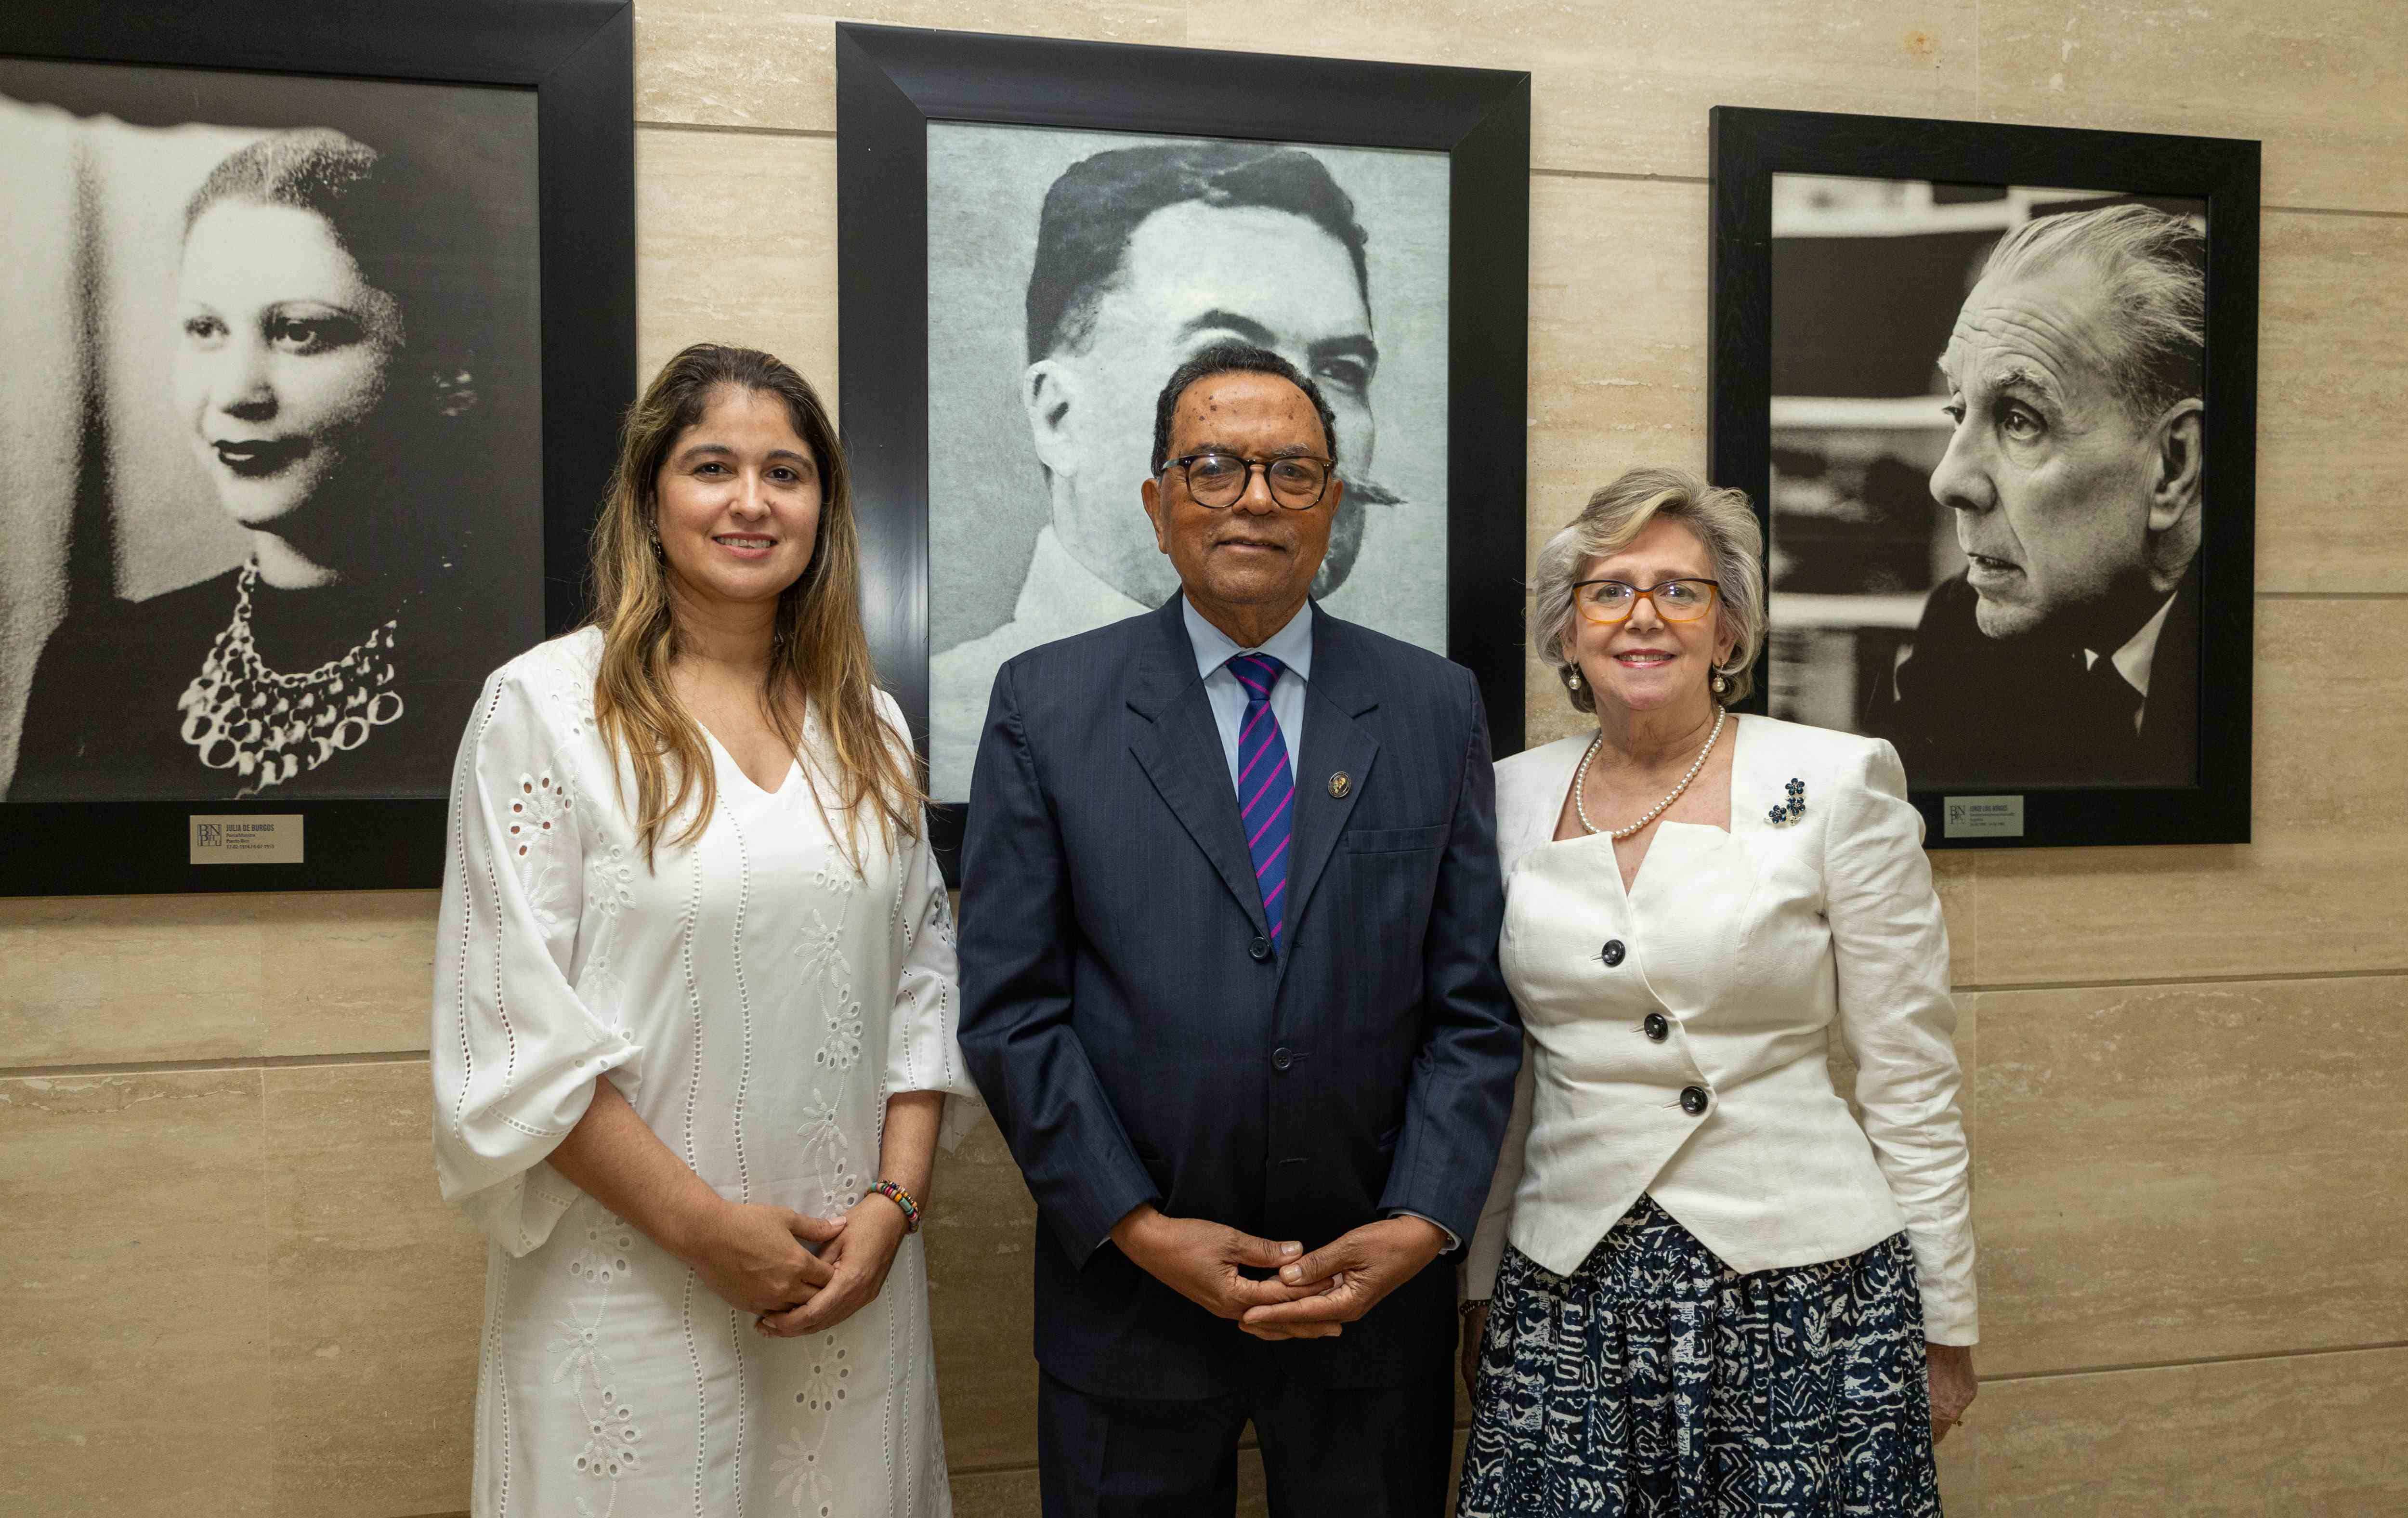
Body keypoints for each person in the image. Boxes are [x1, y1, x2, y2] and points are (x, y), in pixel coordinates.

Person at [957, 342, 1520, 1517]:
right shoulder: (1045, 705)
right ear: (1160, 505)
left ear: (1334, 504)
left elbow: (1472, 1009)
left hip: (1371, 1300)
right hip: (1129, 1299)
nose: (1254, 498)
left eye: (1293, 471)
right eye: (1213, 467)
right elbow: (1013, 1010)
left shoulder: (1432, 707)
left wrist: (1422, 1219)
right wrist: (1136, 1224)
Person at [430, 344, 979, 1516]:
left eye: (785, 472)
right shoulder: (543, 709)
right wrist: (709, 1233)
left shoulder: (869, 726)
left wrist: (894, 1209)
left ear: (825, 509)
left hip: (851, 1288)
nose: (749, 501)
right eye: (711, 466)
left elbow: (923, 988)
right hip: (627, 1291)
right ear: (648, 498)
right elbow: (515, 1036)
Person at [1457, 468, 1977, 1516]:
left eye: (1680, 590)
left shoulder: (1837, 781)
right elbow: (1500, 1068)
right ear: (1565, 632)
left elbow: (1909, 1074)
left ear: (1729, 628)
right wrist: (1479, 1281)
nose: (1642, 616)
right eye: (1608, 591)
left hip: (1805, 1288)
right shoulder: (1505, 796)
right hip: (1568, 1291)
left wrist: (1945, 1319)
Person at [9, 126, 523, 802]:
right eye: (205, 330)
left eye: (299, 331)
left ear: (445, 371)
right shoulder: (100, 665)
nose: (235, 394)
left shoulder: (521, 671)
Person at [928, 141, 1404, 798]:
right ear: (1058, 416)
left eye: (1342, 372)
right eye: (1225, 360)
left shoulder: (1419, 713)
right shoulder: (942, 733)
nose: (1295, 422)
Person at [1865, 202, 2207, 789]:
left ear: (2173, 466)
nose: (1947, 481)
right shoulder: (1961, 636)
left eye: (2020, 419)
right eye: (1957, 411)